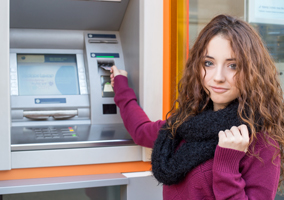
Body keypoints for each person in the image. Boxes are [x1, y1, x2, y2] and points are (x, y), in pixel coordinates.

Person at [110, 14, 284, 200]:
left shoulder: (261, 141)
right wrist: (121, 86)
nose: (218, 77)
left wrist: (227, 163)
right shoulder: (189, 122)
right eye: (208, 63)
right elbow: (142, 131)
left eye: (233, 66)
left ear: (252, 71)